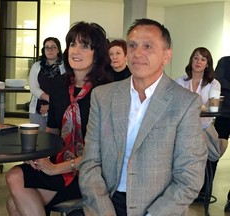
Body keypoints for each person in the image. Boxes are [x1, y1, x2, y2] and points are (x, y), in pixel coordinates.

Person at [79, 18, 208, 216]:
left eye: (147, 46)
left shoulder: (185, 103)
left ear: (167, 56)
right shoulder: (103, 96)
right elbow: (90, 163)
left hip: (157, 209)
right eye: (132, 46)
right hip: (107, 203)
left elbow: (189, 177)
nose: (138, 53)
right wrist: (104, 211)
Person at [5, 21, 110, 216]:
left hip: (88, 171)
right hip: (58, 159)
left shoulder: (106, 91)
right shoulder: (60, 85)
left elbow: (103, 151)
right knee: (13, 176)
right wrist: (37, 156)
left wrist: (56, 169)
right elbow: (52, 131)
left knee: (14, 203)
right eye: (72, 44)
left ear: (97, 54)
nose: (75, 51)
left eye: (84, 46)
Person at [175, 47, 228, 204]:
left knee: (202, 144)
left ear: (207, 64)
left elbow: (212, 109)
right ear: (191, 60)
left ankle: (198, 190)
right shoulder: (180, 81)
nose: (198, 62)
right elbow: (176, 107)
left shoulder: (214, 83)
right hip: (182, 128)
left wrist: (191, 106)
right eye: (196, 58)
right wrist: (198, 105)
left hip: (202, 128)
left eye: (203, 59)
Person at [28, 37, 65, 131]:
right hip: (38, 108)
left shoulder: (64, 67)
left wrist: (51, 105)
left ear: (58, 50)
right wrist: (50, 100)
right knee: (38, 140)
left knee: (55, 140)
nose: (50, 50)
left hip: (58, 108)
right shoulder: (37, 66)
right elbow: (34, 88)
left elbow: (65, 90)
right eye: (47, 47)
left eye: (53, 47)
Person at [213, 56, 230, 212]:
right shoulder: (225, 62)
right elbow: (219, 80)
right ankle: (204, 192)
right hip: (224, 114)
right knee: (215, 153)